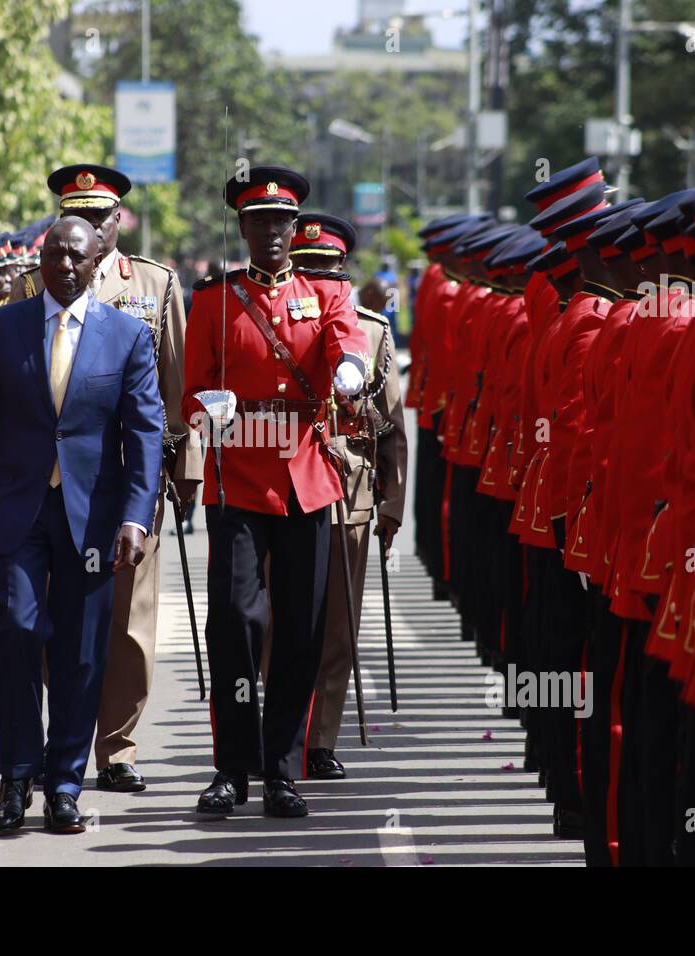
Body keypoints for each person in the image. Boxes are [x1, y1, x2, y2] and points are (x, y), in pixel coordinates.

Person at [0, 217, 163, 834]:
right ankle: (16, 776)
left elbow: (145, 433)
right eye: (55, 254)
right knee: (16, 632)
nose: (65, 265)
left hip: (93, 519)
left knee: (81, 654)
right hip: (17, 511)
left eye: (77, 257)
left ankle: (65, 782)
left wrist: (136, 516)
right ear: (41, 261)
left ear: (96, 264)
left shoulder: (127, 335)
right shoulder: (0, 328)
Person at [182, 166, 370, 818]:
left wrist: (350, 371)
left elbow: (347, 344)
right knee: (236, 621)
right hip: (237, 476)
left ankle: (283, 769)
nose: (270, 232)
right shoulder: (214, 300)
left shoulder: (327, 292)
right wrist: (211, 406)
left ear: (294, 228)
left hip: (304, 478)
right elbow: (190, 395)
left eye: (280, 222)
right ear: (242, 228)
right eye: (258, 222)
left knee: (301, 629)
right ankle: (232, 767)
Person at [12, 163, 202, 794]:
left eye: (99, 217)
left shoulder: (155, 284)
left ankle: (116, 746)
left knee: (127, 622)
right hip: (56, 483)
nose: (90, 228)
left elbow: (177, 392)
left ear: (118, 219)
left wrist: (184, 471)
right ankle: (59, 741)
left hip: (130, 482)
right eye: (78, 217)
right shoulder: (31, 283)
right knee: (53, 621)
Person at [288, 212, 408, 780]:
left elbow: (392, 429)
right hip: (285, 489)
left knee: (337, 626)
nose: (315, 278)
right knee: (280, 623)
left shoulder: (372, 331)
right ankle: (284, 731)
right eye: (305, 267)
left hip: (348, 493)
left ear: (344, 271)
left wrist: (392, 504)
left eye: (325, 268)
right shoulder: (276, 324)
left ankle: (320, 739)